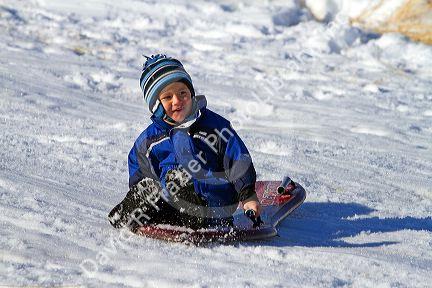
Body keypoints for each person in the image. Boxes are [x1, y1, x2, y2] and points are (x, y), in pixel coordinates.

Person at [108, 54, 261, 230]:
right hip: (174, 207)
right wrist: (141, 190)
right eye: (167, 97)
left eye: (183, 93)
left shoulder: (216, 128)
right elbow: (139, 167)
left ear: (191, 93)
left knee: (180, 182)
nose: (177, 100)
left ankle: (180, 203)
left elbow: (238, 159)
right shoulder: (150, 140)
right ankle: (132, 211)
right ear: (156, 106)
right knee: (160, 194)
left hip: (214, 207)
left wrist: (248, 195)